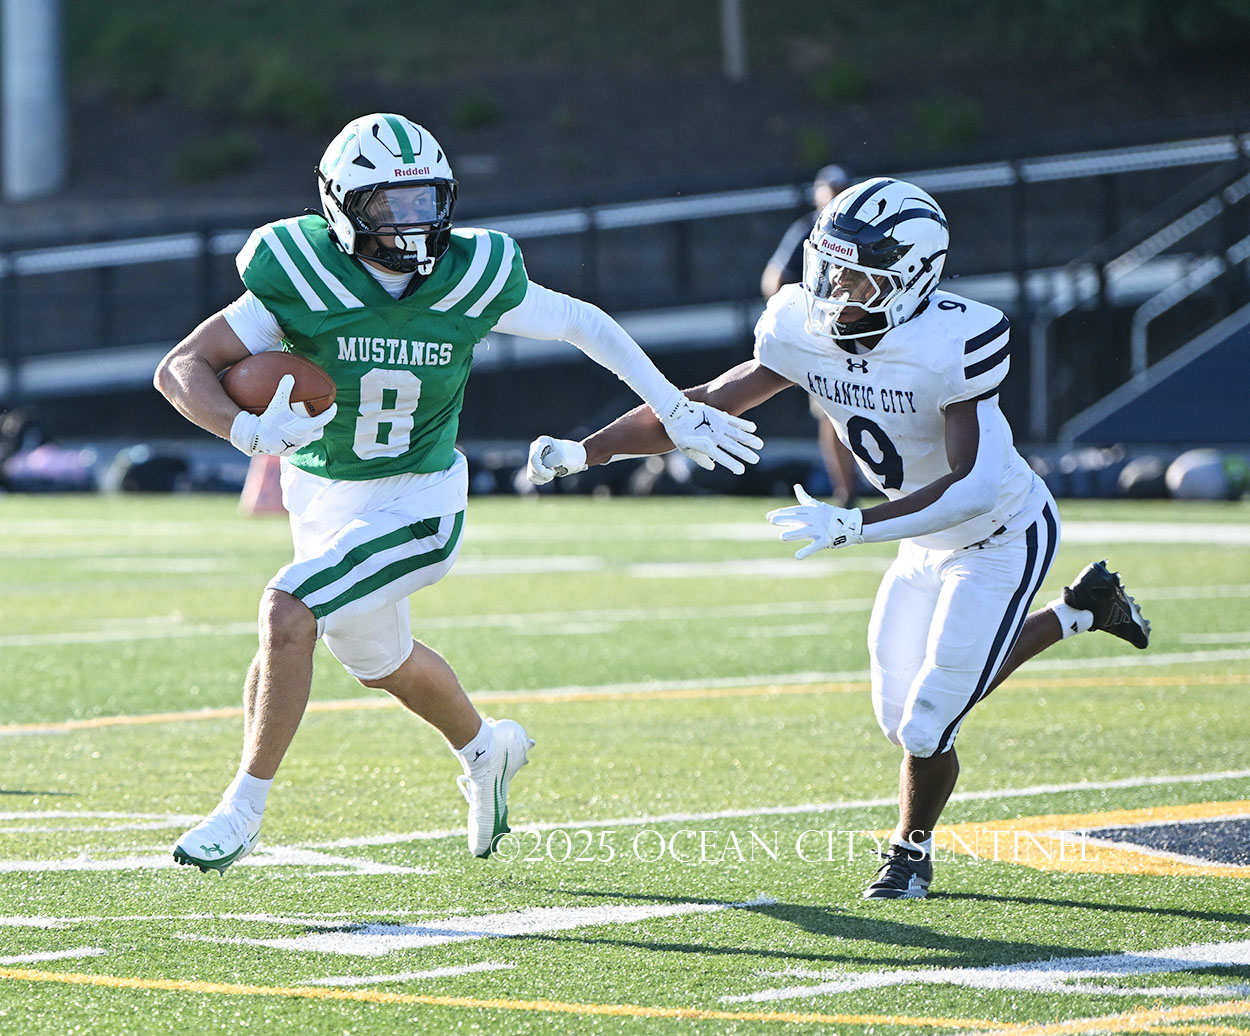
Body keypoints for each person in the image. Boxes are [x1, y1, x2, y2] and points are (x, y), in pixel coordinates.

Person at [153, 113, 762, 875]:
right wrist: (243, 429)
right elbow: (181, 367)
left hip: (420, 501)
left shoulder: (471, 274)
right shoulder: (300, 271)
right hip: (326, 496)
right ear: (341, 206)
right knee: (380, 661)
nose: (412, 223)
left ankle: (242, 810)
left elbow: (584, 323)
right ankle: (485, 750)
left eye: (425, 201)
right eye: (389, 205)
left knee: (288, 610)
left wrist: (673, 407)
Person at [527, 177, 1151, 900]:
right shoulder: (799, 327)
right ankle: (1082, 611)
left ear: (912, 279)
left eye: (857, 278)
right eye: (829, 268)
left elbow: (973, 485)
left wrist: (856, 524)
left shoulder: (950, 342)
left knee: (928, 724)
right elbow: (697, 406)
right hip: (921, 541)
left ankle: (909, 854)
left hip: (1000, 535)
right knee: (900, 717)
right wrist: (587, 452)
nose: (834, 290)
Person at [761, 164, 858, 508]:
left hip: (868, 328)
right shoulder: (809, 229)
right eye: (831, 190)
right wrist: (807, 309)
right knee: (831, 409)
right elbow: (773, 280)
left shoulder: (862, 228)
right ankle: (846, 492)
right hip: (828, 333)